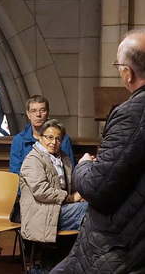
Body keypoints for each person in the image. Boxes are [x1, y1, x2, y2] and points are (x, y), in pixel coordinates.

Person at [50, 29, 145, 273]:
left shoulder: (132, 113)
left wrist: (83, 165)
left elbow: (97, 187)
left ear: (128, 72)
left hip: (119, 244)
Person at [20, 119, 87, 243]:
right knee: (88, 210)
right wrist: (71, 198)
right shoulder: (33, 160)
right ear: (40, 138)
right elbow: (41, 192)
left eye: (58, 139)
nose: (54, 142)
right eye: (49, 137)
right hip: (42, 213)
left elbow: (71, 186)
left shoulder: (64, 159)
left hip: (60, 209)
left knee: (94, 211)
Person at [9, 95, 75, 175]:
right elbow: (16, 172)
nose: (38, 115)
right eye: (33, 111)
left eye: (42, 110)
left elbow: (69, 169)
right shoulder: (19, 140)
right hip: (28, 184)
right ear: (28, 114)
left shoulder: (62, 139)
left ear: (48, 113)